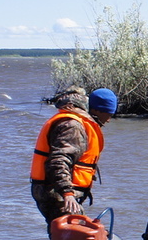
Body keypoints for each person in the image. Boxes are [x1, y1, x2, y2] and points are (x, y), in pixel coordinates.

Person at [30, 86, 116, 224]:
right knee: (74, 239)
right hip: (57, 193)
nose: (108, 120)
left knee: (69, 237)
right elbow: (58, 161)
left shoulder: (77, 121)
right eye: (109, 114)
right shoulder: (73, 126)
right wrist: (67, 193)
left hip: (58, 192)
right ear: (97, 110)